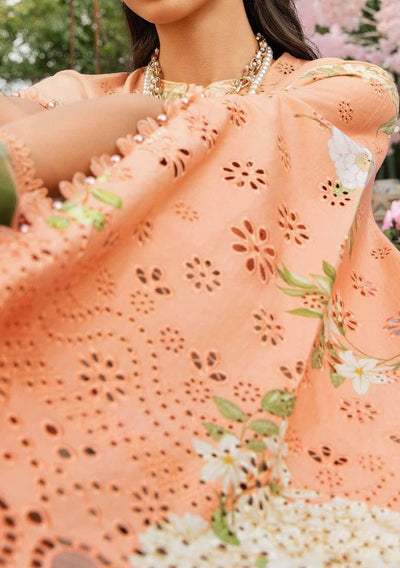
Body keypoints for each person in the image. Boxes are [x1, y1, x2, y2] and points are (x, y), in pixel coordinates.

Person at [0, 0, 400, 566]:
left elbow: (226, 134)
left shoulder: (342, 90)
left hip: (315, 433)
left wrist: (77, 140)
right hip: (107, 427)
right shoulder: (71, 94)